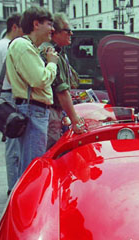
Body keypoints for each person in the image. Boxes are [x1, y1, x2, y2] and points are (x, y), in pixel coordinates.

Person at [6, 6, 59, 174]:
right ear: (36, 24)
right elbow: (40, 79)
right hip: (33, 110)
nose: (52, 29)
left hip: (33, 109)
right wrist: (52, 63)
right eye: (49, 24)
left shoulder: (27, 46)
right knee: (33, 167)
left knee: (31, 163)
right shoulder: (23, 45)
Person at [41, 12, 87, 150]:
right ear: (55, 33)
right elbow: (61, 91)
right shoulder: (51, 53)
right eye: (67, 30)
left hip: (53, 111)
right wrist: (75, 121)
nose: (71, 33)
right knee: (52, 151)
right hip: (52, 112)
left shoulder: (57, 53)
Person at [0, 12, 23, 194]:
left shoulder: (1, 45)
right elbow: (14, 76)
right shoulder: (8, 46)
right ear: (14, 27)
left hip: (4, 95)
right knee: (13, 147)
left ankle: (14, 185)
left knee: (13, 145)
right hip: (9, 96)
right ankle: (13, 187)